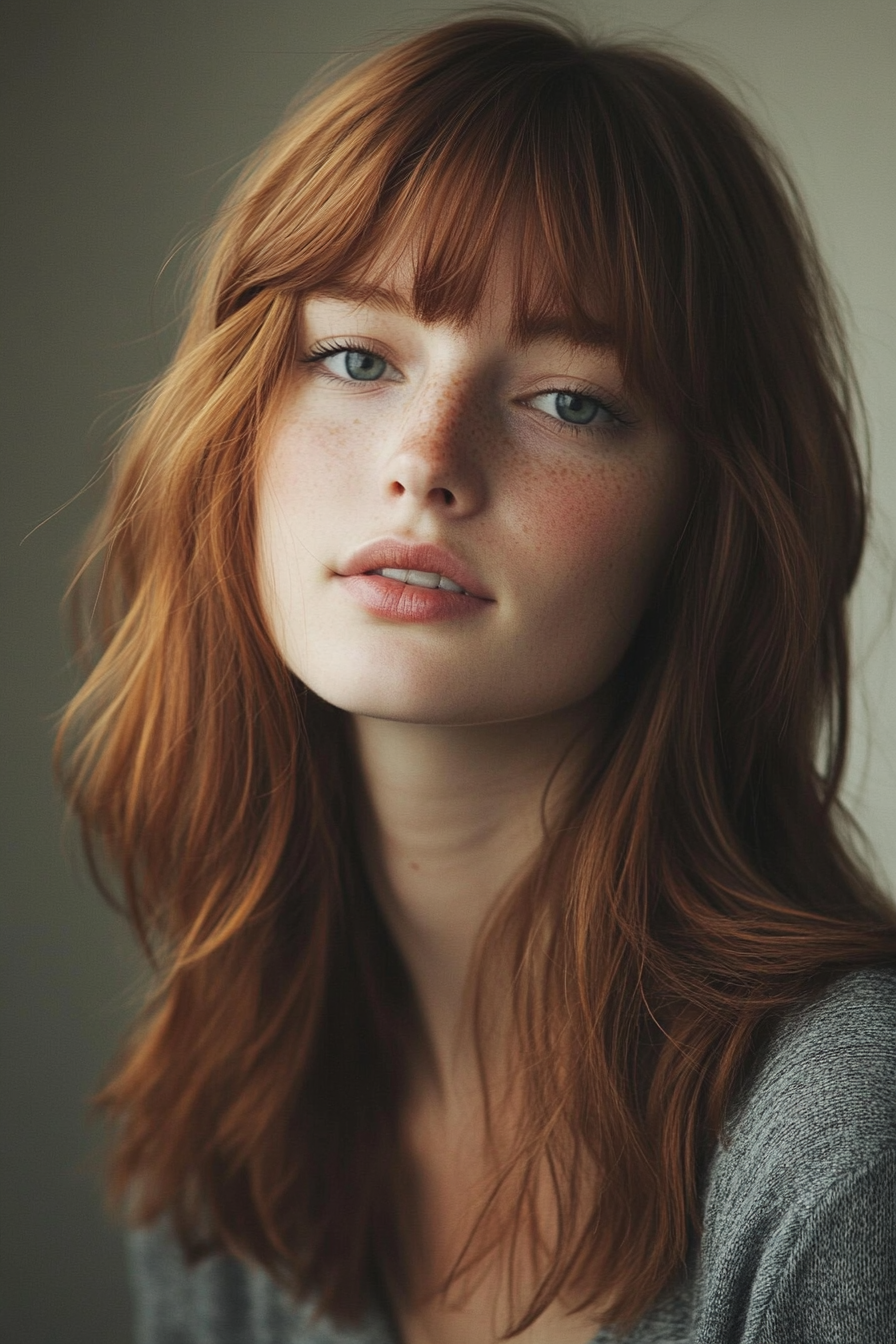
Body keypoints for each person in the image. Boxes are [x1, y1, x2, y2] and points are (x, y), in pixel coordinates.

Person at [56, 10, 896, 1343]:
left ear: (707, 520)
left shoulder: (849, 1147)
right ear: (239, 434)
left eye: (571, 400)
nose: (426, 458)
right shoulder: (223, 1113)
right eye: (357, 357)